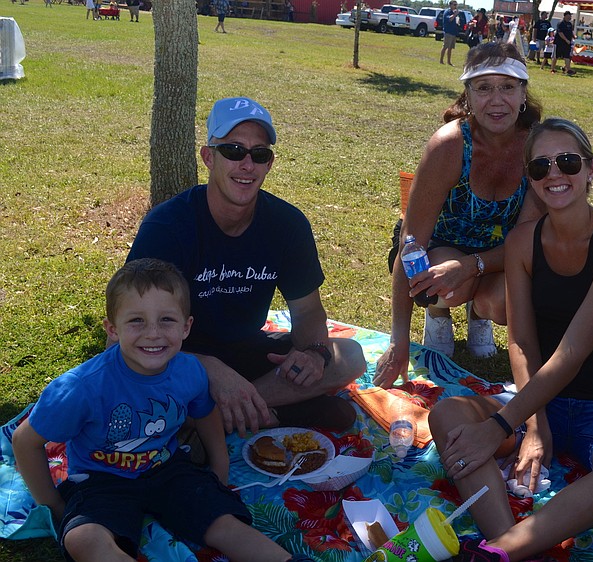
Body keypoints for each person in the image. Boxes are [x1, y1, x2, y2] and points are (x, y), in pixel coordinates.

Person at [428, 117, 593, 562]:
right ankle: (507, 545)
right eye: (540, 166)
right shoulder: (522, 241)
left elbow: (571, 353)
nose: (555, 173)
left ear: (591, 168)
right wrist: (534, 425)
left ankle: (502, 550)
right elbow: (520, 342)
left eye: (568, 162)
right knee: (448, 414)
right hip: (538, 400)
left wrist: (501, 427)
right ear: (530, 178)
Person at [11, 258, 315, 562]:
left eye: (166, 320)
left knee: (224, 523)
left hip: (169, 470)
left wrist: (219, 465)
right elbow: (25, 441)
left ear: (186, 327)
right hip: (100, 480)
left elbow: (205, 412)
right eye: (137, 321)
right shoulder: (81, 387)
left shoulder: (190, 371)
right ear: (112, 330)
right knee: (83, 539)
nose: (153, 333)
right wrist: (54, 504)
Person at [126, 97, 366, 437]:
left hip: (246, 352)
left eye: (259, 154)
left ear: (270, 164)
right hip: (173, 356)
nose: (247, 165)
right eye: (233, 151)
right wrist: (207, 367)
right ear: (209, 157)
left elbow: (309, 311)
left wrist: (313, 353)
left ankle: (218, 417)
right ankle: (277, 411)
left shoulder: (287, 224)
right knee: (134, 378)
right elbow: (129, 334)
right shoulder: (167, 228)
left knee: (350, 356)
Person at [374, 43, 545, 387]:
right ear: (467, 95)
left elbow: (525, 243)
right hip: (439, 247)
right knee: (440, 287)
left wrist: (470, 266)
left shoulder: (537, 149)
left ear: (523, 93)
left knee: (504, 302)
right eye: (483, 88)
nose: (496, 100)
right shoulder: (449, 145)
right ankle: (438, 312)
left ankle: (479, 313)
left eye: (507, 87)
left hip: (500, 255)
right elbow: (411, 241)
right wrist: (398, 341)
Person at [440, 1, 463, 66]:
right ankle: (441, 61)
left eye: (456, 5)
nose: (456, 6)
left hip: (453, 32)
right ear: (450, 5)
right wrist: (455, 14)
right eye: (454, 5)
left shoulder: (453, 12)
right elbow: (449, 19)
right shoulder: (447, 12)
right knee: (445, 46)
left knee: (450, 48)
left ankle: (449, 62)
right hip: (448, 32)